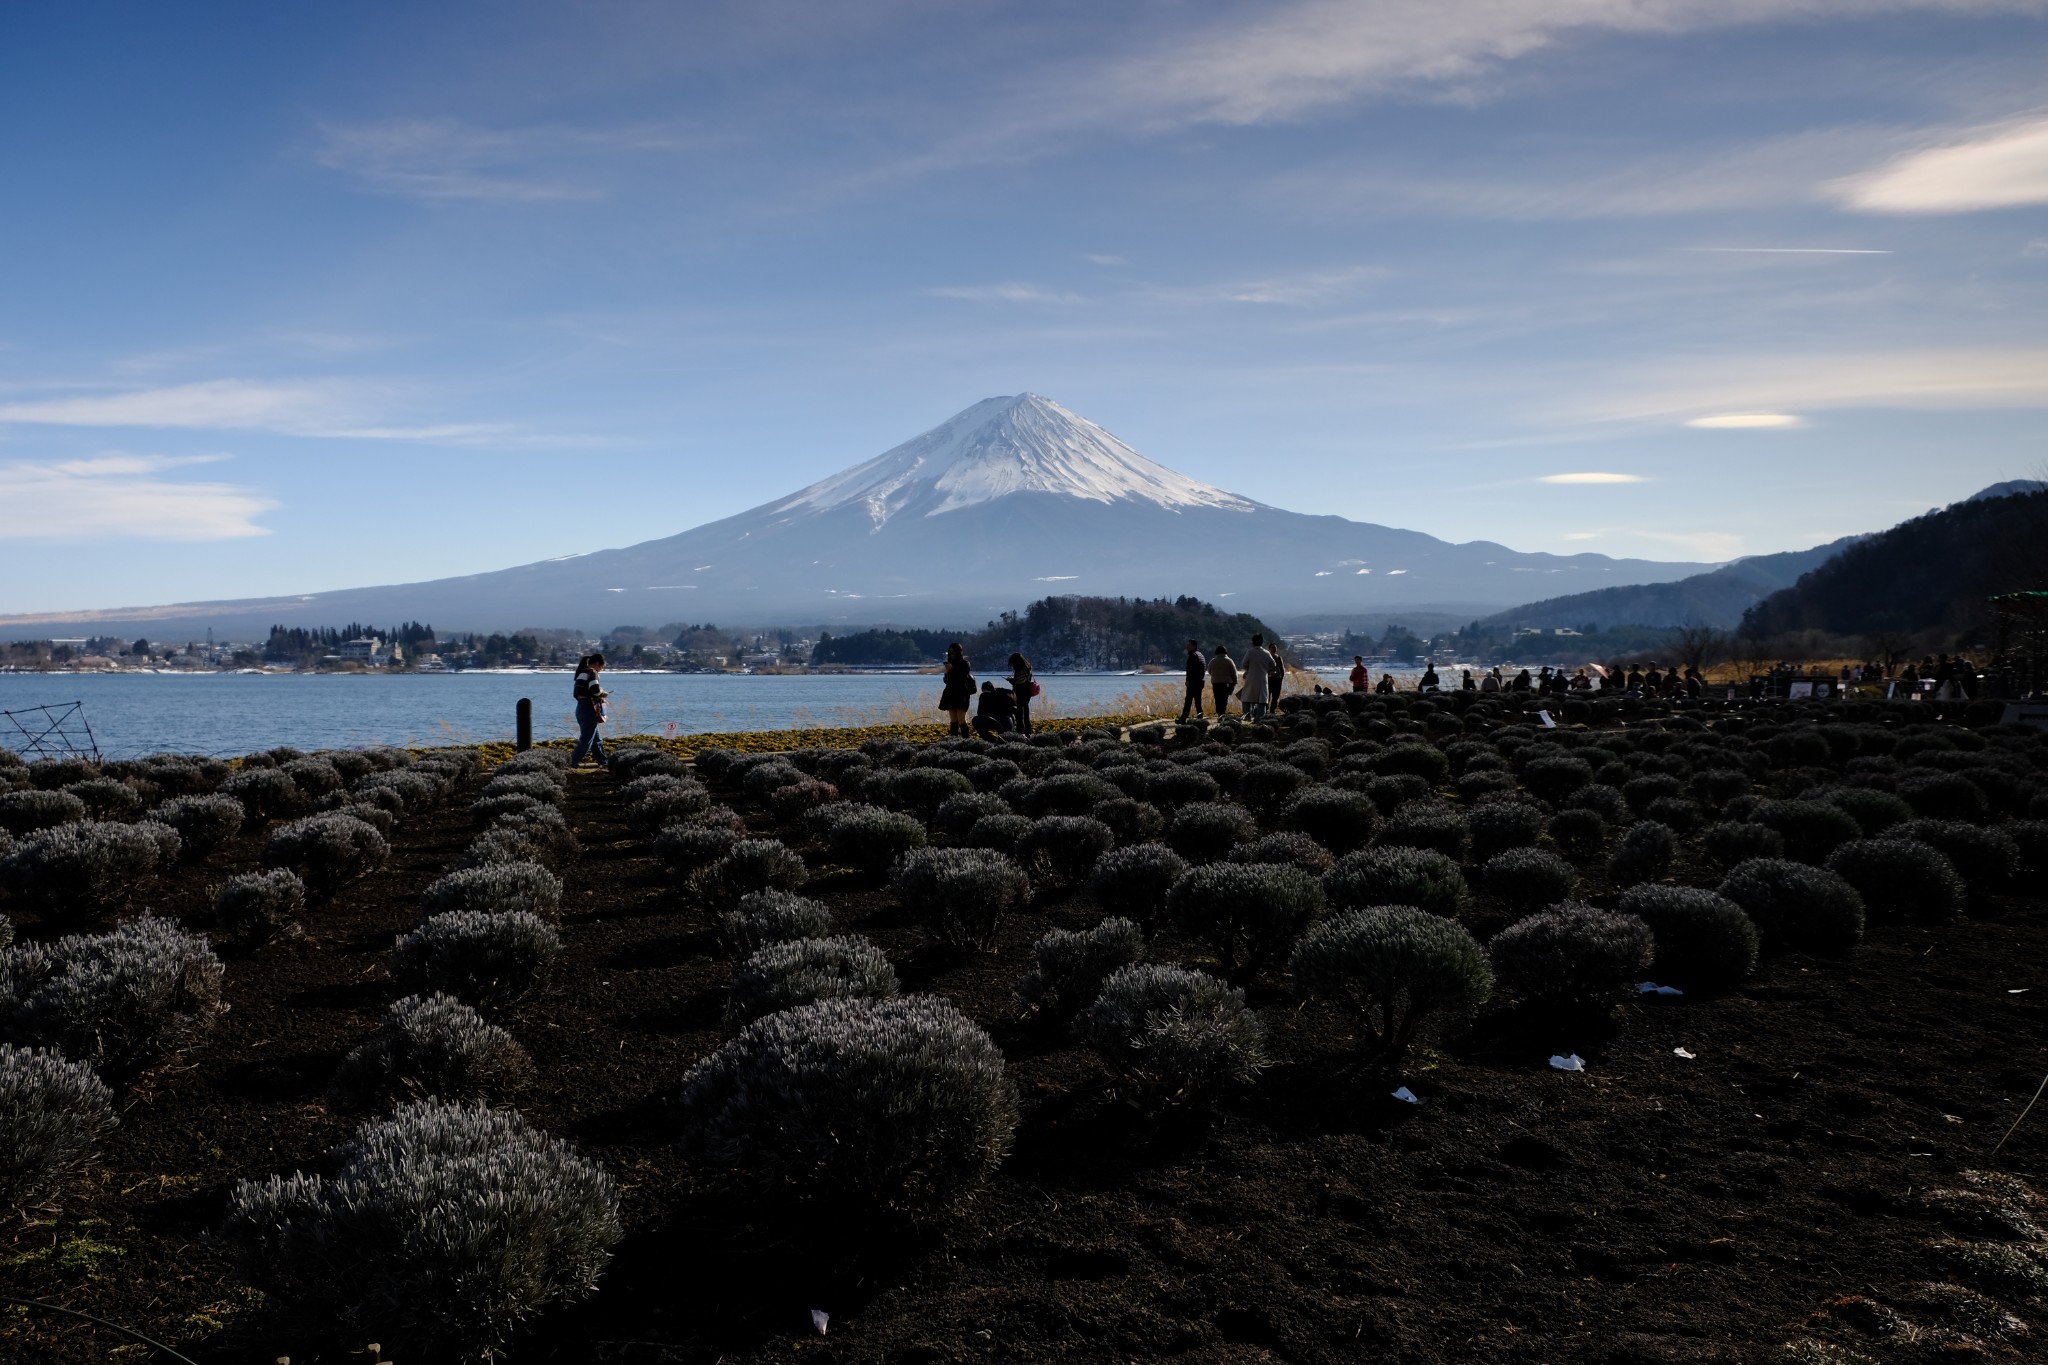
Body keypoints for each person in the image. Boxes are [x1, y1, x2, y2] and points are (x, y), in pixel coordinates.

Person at [570, 653, 608, 767]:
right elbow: (595, 690)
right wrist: (603, 693)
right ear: (597, 664)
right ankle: (571, 762)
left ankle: (603, 761)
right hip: (589, 708)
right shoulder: (592, 672)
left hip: (581, 707)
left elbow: (578, 693)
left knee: (596, 739)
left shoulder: (582, 672)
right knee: (586, 740)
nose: (601, 670)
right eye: (602, 667)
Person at [939, 642, 975, 738]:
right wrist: (947, 673)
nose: (952, 655)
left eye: (954, 652)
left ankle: (966, 741)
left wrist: (952, 669)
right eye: (950, 653)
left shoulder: (965, 664)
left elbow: (962, 677)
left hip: (961, 694)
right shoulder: (950, 664)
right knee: (953, 720)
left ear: (958, 653)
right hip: (951, 693)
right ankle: (953, 741)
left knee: (961, 719)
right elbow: (947, 681)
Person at [1240, 633, 1273, 719]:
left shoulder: (1250, 652)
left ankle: (1247, 717)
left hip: (1251, 677)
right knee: (1262, 699)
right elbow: (1273, 664)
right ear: (1262, 642)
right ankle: (1260, 718)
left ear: (1253, 642)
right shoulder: (1266, 653)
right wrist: (1266, 669)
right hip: (1263, 678)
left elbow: (1244, 664)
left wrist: (1248, 669)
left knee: (1246, 697)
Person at [1008, 652, 1035, 736]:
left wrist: (1011, 680)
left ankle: (1020, 733)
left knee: (1019, 715)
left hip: (1021, 693)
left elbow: (1019, 682)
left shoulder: (1021, 669)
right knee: (1026, 714)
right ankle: (1028, 733)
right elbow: (1023, 680)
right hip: (1027, 693)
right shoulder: (1028, 667)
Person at [1180, 639, 1207, 722]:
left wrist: (1188, 680)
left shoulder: (1193, 655)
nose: (1187, 646)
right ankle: (1200, 717)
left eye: (1189, 645)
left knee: (1188, 700)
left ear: (1194, 646)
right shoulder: (1200, 655)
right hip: (1200, 681)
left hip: (1193, 682)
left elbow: (1191, 670)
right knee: (1198, 701)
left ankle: (1183, 719)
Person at [1208, 645, 1239, 717]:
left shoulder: (1213, 661)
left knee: (1217, 699)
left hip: (1215, 683)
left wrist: (1215, 675)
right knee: (1224, 699)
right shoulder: (1229, 661)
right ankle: (1223, 713)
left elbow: (1209, 671)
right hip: (1226, 683)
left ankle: (1219, 713)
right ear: (1225, 652)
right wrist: (1235, 682)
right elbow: (1234, 673)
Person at [1267, 642, 1286, 709]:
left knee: (1275, 696)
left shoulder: (1278, 657)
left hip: (1277, 680)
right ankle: (1266, 710)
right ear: (1269, 649)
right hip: (1268, 679)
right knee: (1267, 696)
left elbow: (1282, 668)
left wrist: (1282, 676)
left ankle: (1272, 710)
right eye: (1273, 648)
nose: (1274, 649)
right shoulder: (1267, 657)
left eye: (1275, 648)